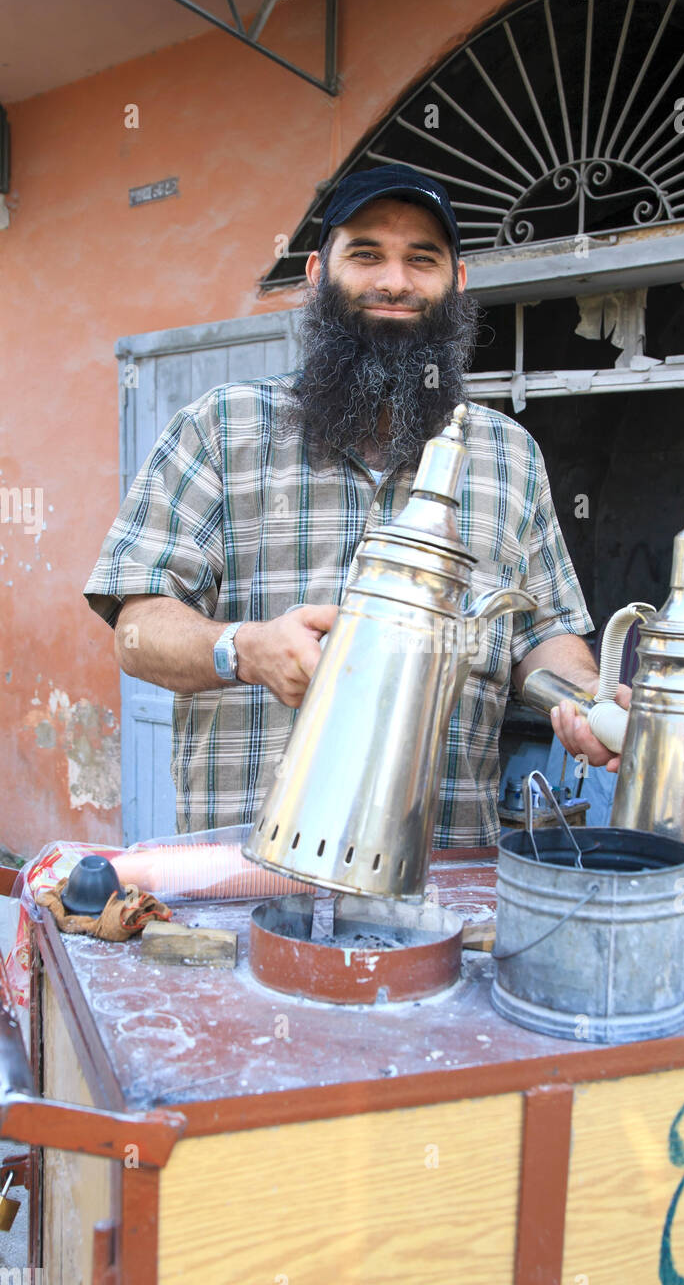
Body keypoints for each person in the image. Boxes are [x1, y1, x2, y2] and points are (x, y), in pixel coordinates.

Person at [84, 164, 626, 844]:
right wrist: (243, 649)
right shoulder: (220, 429)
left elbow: (545, 635)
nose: (394, 281)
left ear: (456, 284)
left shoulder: (508, 454)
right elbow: (136, 628)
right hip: (247, 877)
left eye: (421, 259)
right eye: (366, 253)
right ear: (317, 273)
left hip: (438, 880)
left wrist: (580, 699)